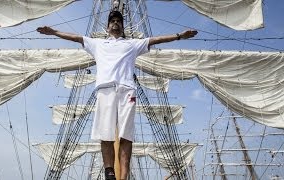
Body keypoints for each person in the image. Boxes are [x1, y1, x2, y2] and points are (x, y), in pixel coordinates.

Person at [37, 10, 197, 180]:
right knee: (105, 133)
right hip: (105, 90)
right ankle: (110, 173)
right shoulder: (97, 44)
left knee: (126, 135)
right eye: (112, 21)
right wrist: (54, 32)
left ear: (122, 26)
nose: (115, 23)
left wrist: (180, 36)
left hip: (127, 90)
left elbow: (155, 39)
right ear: (107, 27)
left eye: (119, 21)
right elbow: (76, 38)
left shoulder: (132, 44)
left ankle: (125, 175)